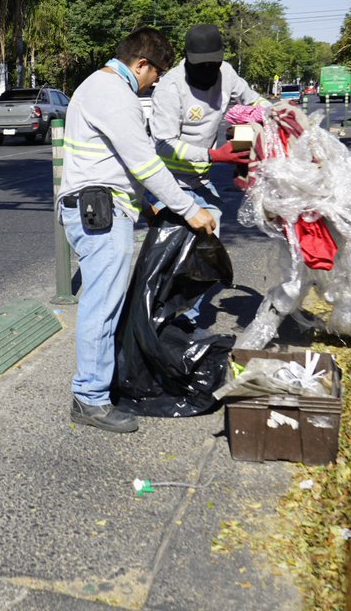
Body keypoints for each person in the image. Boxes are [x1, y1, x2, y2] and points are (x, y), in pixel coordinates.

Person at [59, 27, 217, 434]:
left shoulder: (101, 87)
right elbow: (144, 162)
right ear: (141, 63)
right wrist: (189, 210)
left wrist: (149, 203)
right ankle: (90, 399)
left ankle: (97, 386)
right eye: (158, 71)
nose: (160, 79)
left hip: (101, 206)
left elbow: (115, 161)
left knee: (106, 302)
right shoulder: (113, 94)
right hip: (101, 212)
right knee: (102, 305)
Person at [149, 23, 271, 327]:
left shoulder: (227, 74)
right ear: (188, 60)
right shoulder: (171, 87)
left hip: (200, 179)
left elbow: (254, 102)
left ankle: (186, 319)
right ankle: (158, 315)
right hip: (166, 180)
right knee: (169, 253)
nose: (208, 69)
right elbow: (163, 145)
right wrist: (215, 155)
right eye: (201, 64)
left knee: (205, 249)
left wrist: (279, 115)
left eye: (213, 63)